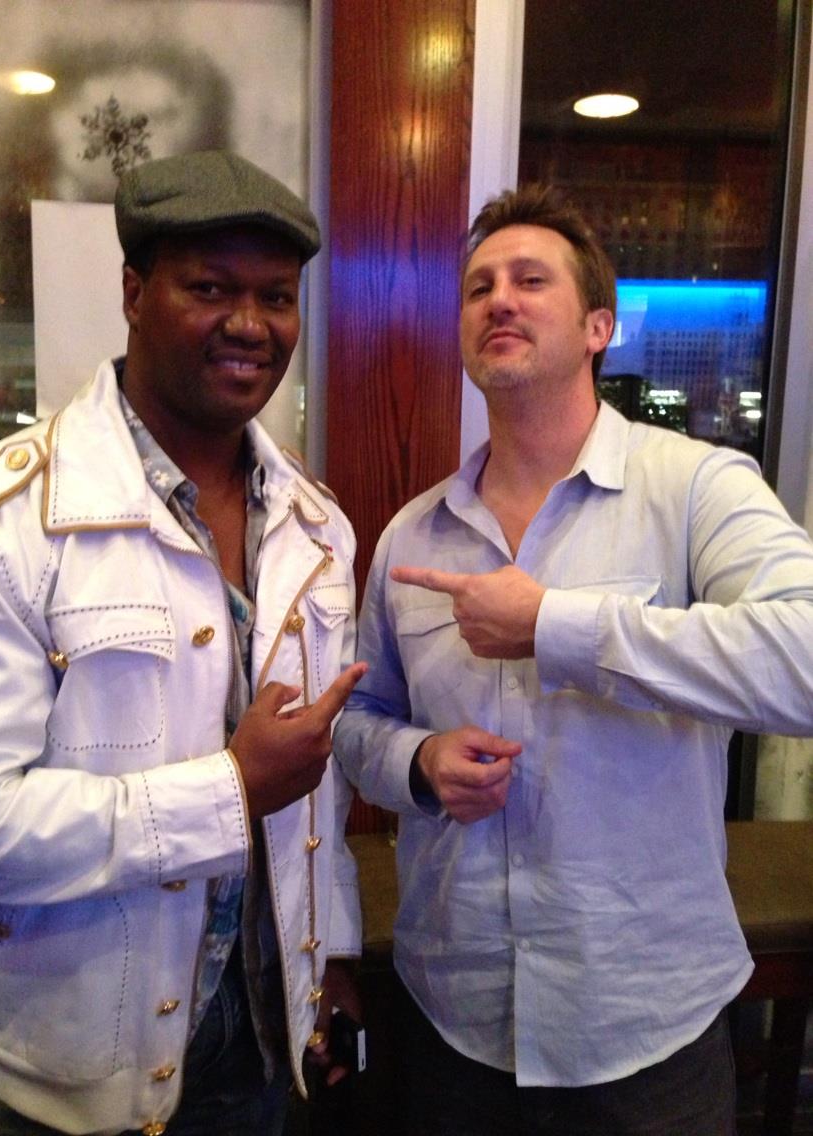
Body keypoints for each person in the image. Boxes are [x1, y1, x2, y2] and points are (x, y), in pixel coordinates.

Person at [333, 183, 813, 1136]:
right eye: (479, 287)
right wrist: (417, 764)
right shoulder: (411, 534)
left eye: (530, 280)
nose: (498, 300)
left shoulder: (697, 487)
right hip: (455, 1014)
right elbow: (355, 719)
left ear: (600, 326)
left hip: (645, 1025)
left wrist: (555, 626)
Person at [0, 150, 366, 1136]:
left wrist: (332, 958)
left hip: (261, 1048)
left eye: (276, 296)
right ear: (135, 294)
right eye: (211, 288)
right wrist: (228, 791)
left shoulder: (318, 526)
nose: (249, 322)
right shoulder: (2, 525)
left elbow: (320, 788)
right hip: (59, 1073)